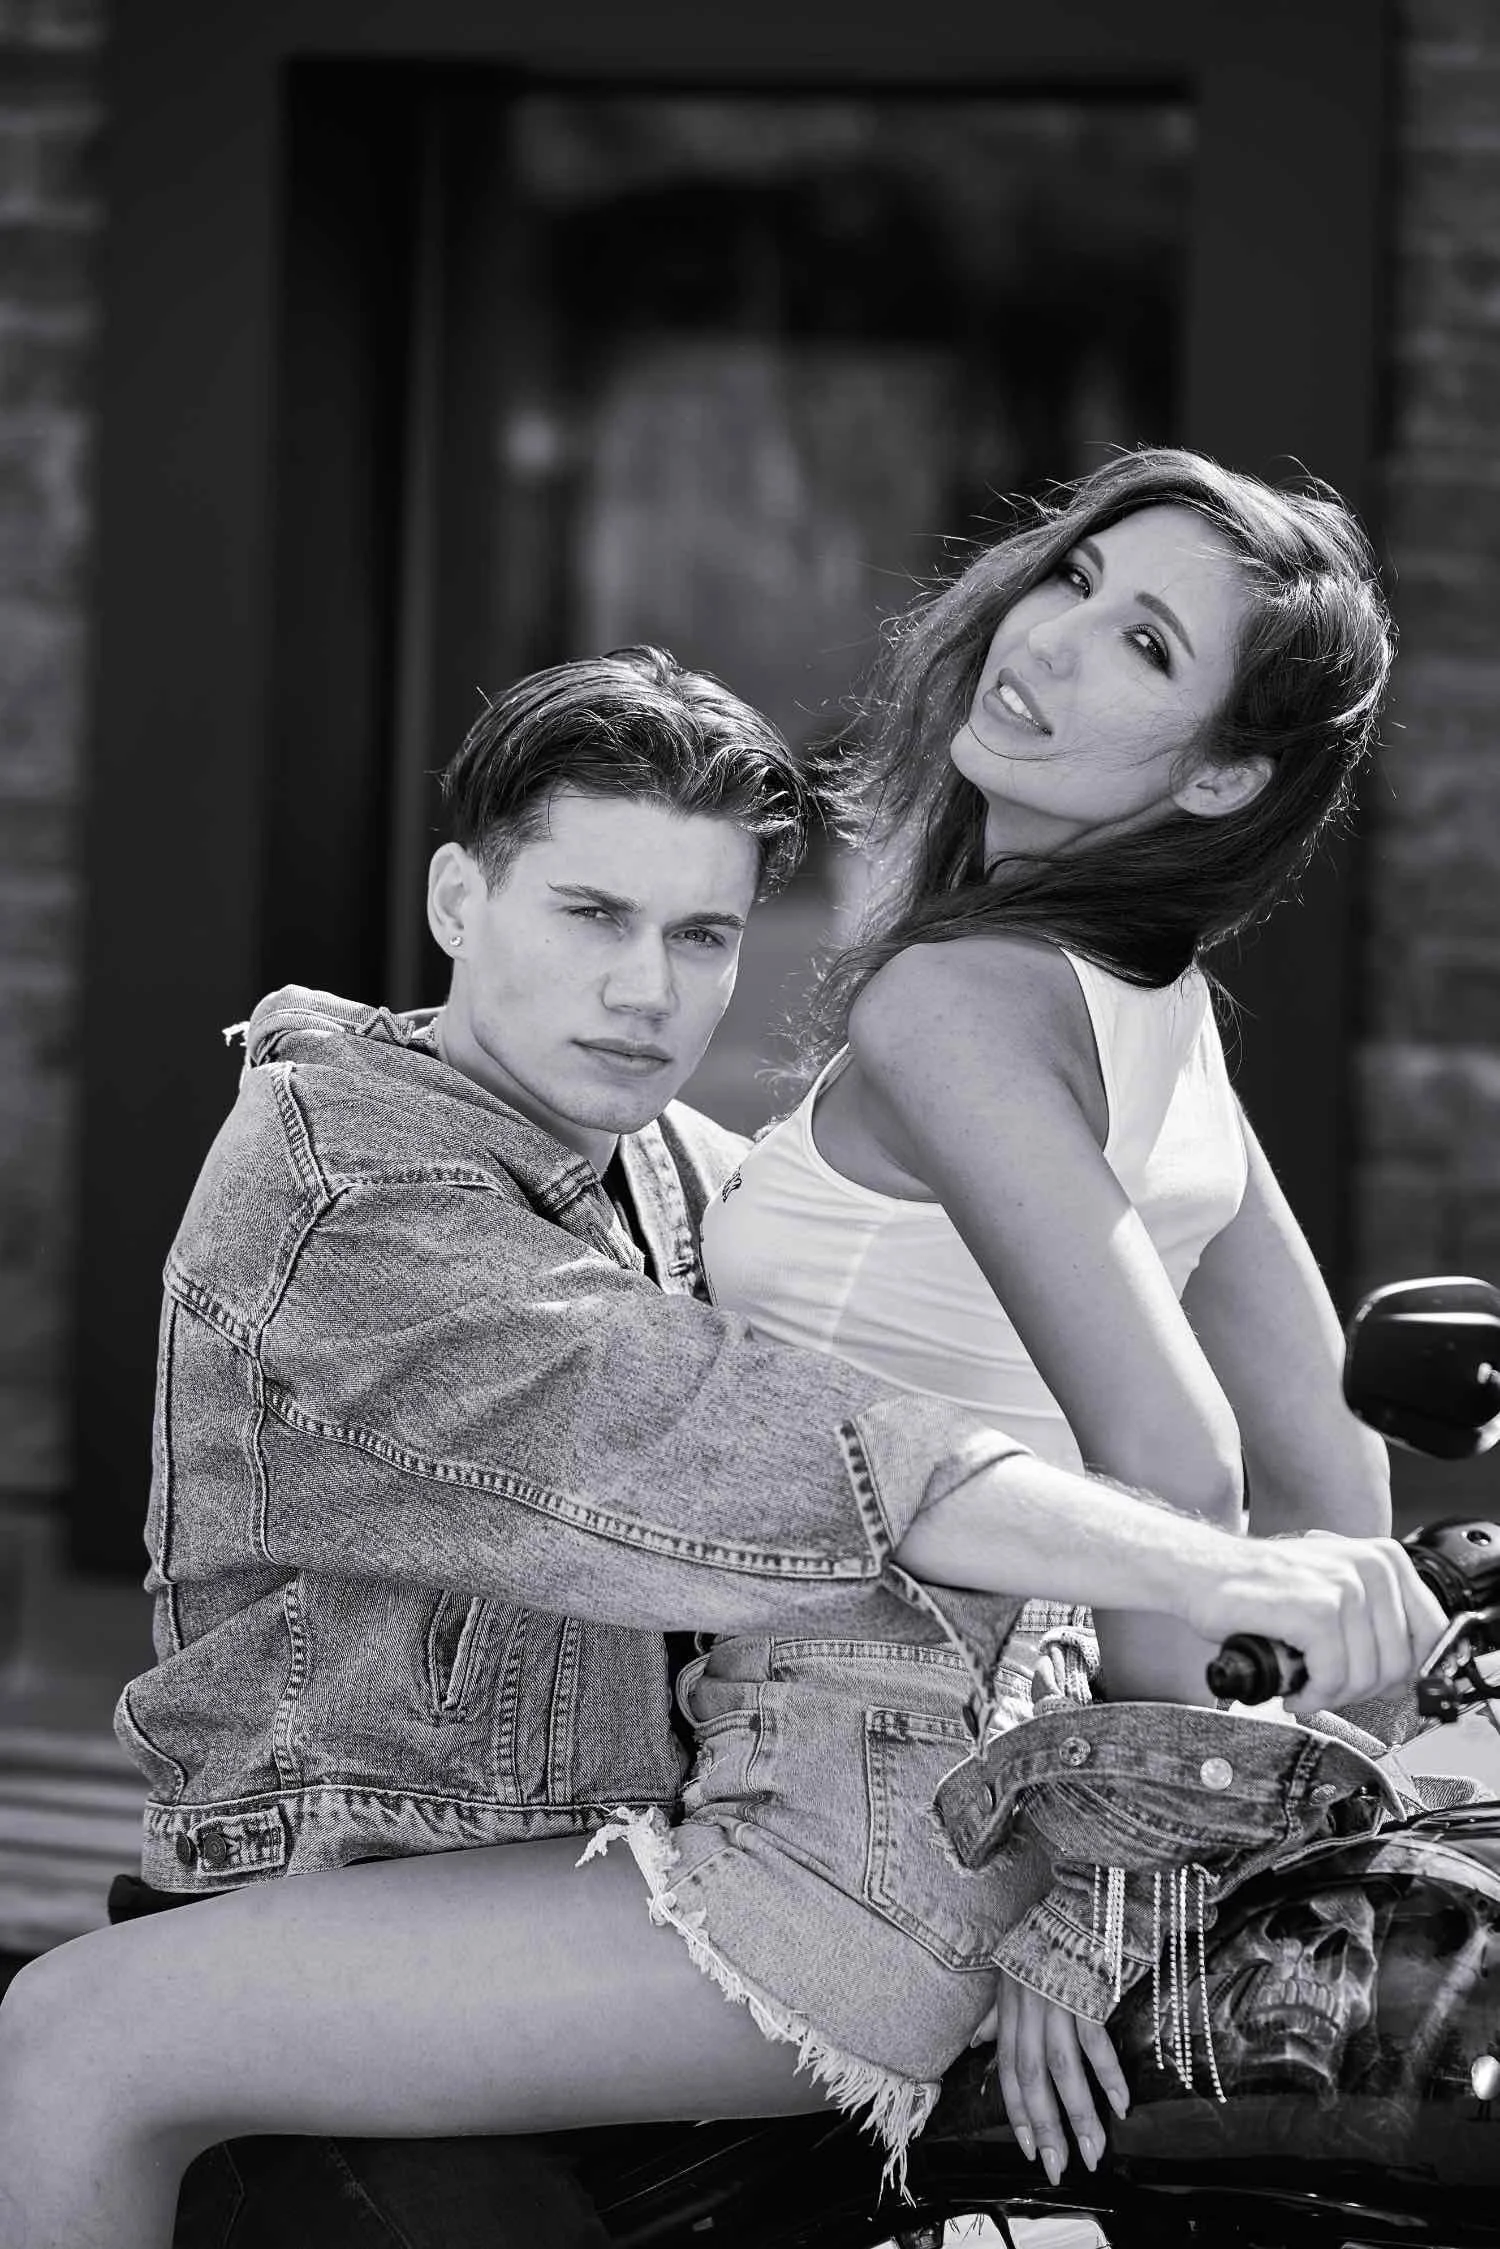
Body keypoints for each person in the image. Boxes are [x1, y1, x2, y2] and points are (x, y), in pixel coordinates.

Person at [0, 470, 1448, 2249]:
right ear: (455, 899)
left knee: (65, 2037)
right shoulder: (1152, 1027)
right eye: (589, 915)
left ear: (1226, 775)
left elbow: (1182, 1467)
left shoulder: (915, 1027)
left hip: (840, 1824)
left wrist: (1128, 1879)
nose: (647, 991)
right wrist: (1281, 1722)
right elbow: (1310, 1473)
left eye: (701, 935)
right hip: (792, 1803)